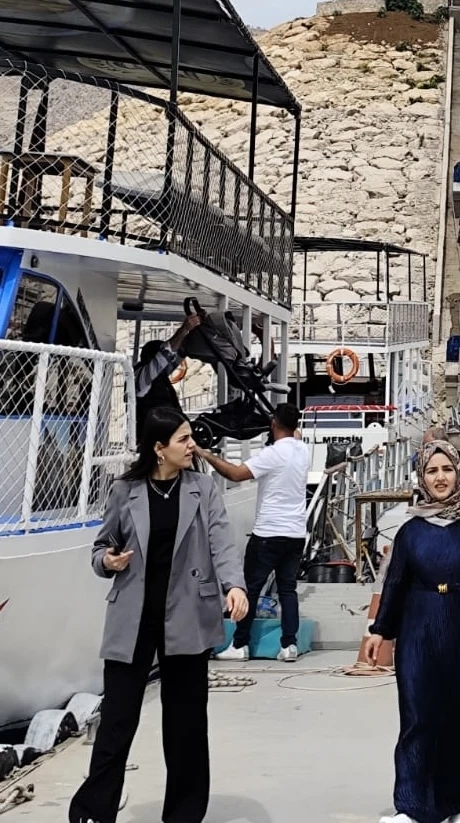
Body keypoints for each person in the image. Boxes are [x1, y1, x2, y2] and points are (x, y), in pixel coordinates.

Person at [70, 408, 247, 823]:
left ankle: (184, 814)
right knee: (116, 722)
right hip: (133, 618)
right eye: (184, 439)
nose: (192, 446)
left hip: (188, 617)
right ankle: (93, 812)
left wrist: (234, 586)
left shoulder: (203, 488)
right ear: (159, 448)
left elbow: (222, 542)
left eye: (191, 438)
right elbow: (101, 547)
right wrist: (108, 561)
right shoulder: (124, 490)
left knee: (186, 725)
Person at [365, 441, 460, 823]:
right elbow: (395, 582)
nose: (440, 478)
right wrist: (380, 630)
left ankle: (456, 803)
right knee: (418, 716)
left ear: (458, 472)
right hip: (419, 630)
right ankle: (412, 807)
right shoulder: (411, 530)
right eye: (432, 471)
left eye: (446, 469)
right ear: (422, 477)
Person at [202, 404, 309, 663]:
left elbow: (236, 474)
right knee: (288, 590)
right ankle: (289, 645)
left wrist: (205, 454)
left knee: (250, 589)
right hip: (296, 533)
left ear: (274, 423)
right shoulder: (303, 450)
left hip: (268, 533)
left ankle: (239, 645)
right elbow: (293, 434)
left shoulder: (272, 454)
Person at [133, 309, 202, 434]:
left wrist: (198, 327)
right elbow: (166, 353)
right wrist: (184, 329)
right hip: (154, 438)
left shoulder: (159, 376)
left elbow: (180, 352)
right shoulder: (141, 377)